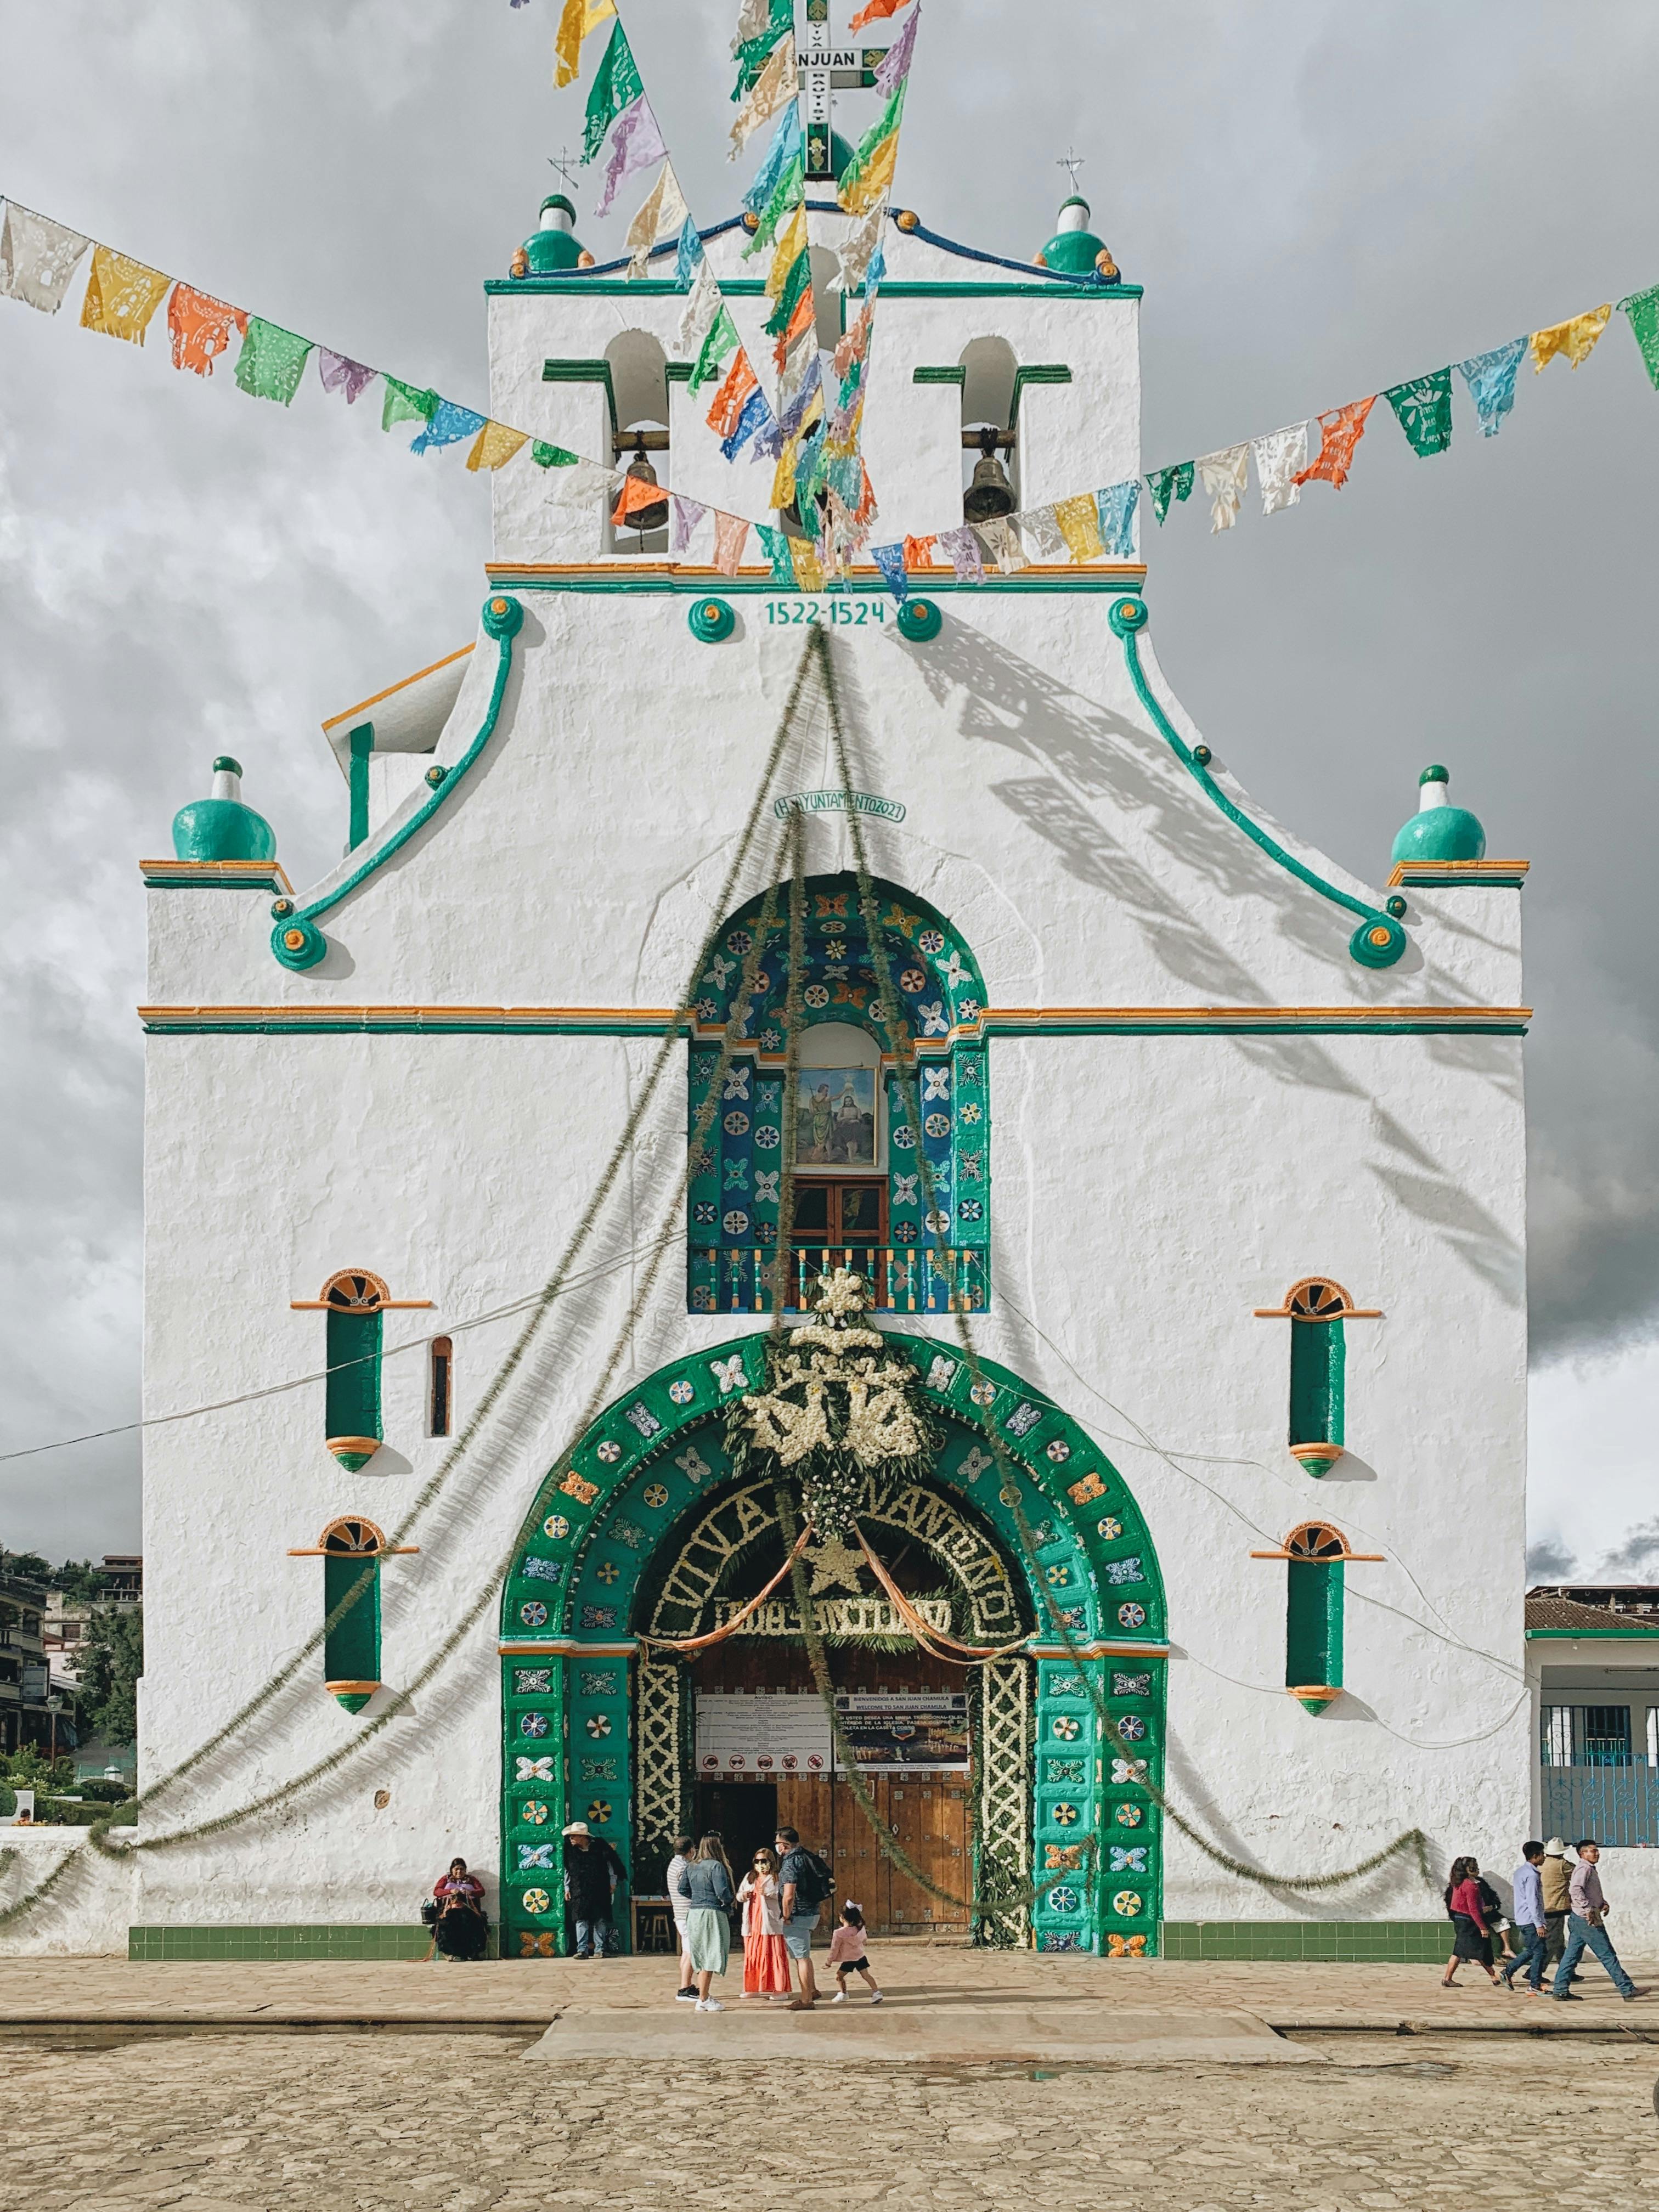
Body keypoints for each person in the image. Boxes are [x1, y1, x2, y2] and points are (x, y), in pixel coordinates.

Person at [1550, 1838, 1645, 2002]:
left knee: (1572, 1956)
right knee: (1607, 1954)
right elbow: (1575, 1890)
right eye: (1592, 1851)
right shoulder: (1583, 1869)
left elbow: (1588, 1891)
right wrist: (1588, 1908)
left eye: (1596, 1851)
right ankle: (1627, 1989)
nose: (1596, 1853)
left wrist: (1602, 1903)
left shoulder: (1588, 1868)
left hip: (1580, 1918)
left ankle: (1560, 1989)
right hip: (1587, 1920)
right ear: (1582, 1854)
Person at [674, 1833, 736, 2012]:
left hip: (694, 1913)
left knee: (700, 1955)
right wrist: (728, 1901)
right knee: (711, 1953)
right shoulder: (716, 1866)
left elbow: (682, 1888)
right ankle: (703, 1998)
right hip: (711, 1913)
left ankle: (704, 1996)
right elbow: (722, 1891)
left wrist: (697, 1898)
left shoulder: (692, 1866)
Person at [776, 1824, 832, 2010]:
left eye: (778, 1843)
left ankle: (807, 1999)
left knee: (801, 1958)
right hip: (812, 1911)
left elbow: (789, 1895)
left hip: (797, 1915)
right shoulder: (806, 1856)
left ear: (784, 1845)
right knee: (804, 1955)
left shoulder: (790, 1863)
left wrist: (786, 1916)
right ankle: (813, 1989)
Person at [562, 1820, 626, 1959]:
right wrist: (566, 1887)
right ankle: (582, 1949)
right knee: (581, 1919)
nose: (571, 1839)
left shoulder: (600, 1848)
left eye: (574, 1836)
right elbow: (568, 1870)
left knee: (600, 1919)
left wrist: (612, 1882)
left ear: (582, 1837)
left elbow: (611, 1865)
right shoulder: (570, 1851)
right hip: (579, 1889)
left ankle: (600, 1949)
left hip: (600, 1888)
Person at [737, 1846, 792, 1999]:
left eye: (764, 1861)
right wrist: (743, 1895)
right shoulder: (750, 1877)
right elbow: (738, 1895)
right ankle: (752, 1987)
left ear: (771, 1862)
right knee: (753, 1953)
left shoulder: (777, 1877)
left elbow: (783, 1895)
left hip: (770, 1922)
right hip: (753, 1922)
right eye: (757, 1861)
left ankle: (779, 1989)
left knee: (773, 1953)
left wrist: (768, 1894)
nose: (760, 1864)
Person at [1440, 1855, 1500, 1987]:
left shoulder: (1457, 1883)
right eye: (1474, 1868)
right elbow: (1473, 1909)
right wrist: (1482, 1927)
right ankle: (1494, 1975)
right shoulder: (1471, 1886)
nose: (1477, 1870)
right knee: (1480, 1950)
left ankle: (1448, 1978)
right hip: (1469, 1921)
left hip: (1460, 1919)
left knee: (1460, 1951)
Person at [1499, 1841, 1548, 1995]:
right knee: (1539, 1952)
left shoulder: (1521, 1872)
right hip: (1531, 1920)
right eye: (1542, 1854)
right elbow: (1532, 1901)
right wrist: (1539, 1923)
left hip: (1523, 1918)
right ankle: (1534, 1984)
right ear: (1535, 1856)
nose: (1544, 1857)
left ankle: (1509, 1971)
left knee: (1533, 1950)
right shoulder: (1532, 1876)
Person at [432, 1858, 488, 1961]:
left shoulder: (471, 1880)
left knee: (472, 1925)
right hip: (449, 1911)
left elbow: (481, 1892)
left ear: (465, 1870)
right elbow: (437, 1891)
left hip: (468, 1910)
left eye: (462, 1869)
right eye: (456, 1869)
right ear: (452, 1870)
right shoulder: (446, 1879)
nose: (459, 1872)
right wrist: (451, 1891)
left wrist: (470, 1892)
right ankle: (451, 1953)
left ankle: (472, 1952)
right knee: (449, 1926)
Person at [827, 1900, 883, 2005]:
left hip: (849, 1959)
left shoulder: (839, 1933)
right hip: (860, 1956)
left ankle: (843, 1993)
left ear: (842, 1917)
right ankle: (877, 1992)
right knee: (866, 1975)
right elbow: (864, 1940)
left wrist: (829, 1962)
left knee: (839, 1976)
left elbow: (834, 1948)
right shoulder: (860, 1928)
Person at [665, 1833, 698, 2001]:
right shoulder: (684, 1867)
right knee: (691, 1951)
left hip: (680, 1913)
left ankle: (687, 1984)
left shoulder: (674, 1864)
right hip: (687, 1913)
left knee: (687, 1951)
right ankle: (684, 1988)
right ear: (691, 1850)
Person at [1541, 1837, 1575, 1973]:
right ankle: (1536, 1971)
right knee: (1553, 1942)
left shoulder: (1542, 1863)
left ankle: (1568, 1971)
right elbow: (1578, 1873)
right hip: (1556, 1907)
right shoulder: (1562, 1864)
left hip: (1543, 1906)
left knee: (1559, 1942)